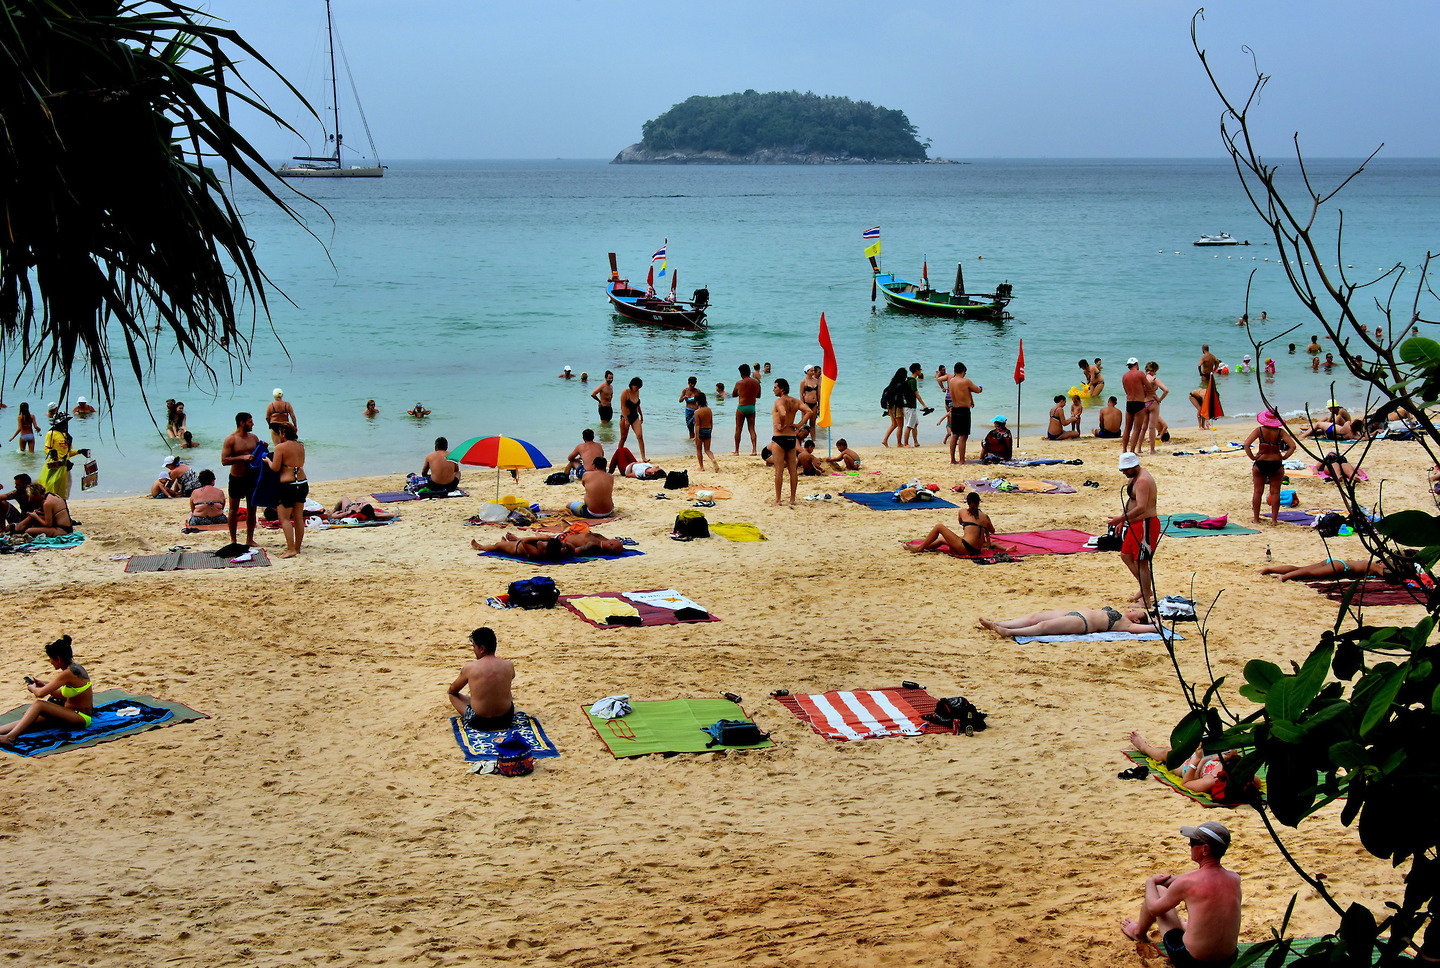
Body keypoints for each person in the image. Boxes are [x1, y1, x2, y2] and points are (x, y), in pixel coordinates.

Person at [1121, 821, 1241, 968]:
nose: (1189, 845)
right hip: (1229, 960)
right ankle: (1187, 926)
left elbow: (1153, 909)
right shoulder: (1235, 878)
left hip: (1192, 962)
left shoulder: (1187, 882)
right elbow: (1207, 877)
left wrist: (1150, 882)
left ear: (1205, 849)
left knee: (1158, 890)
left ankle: (1138, 932)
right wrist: (1176, 879)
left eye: (1193, 842)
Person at [0, 635, 95, 746]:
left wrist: (33, 688)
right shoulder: (74, 668)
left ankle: (10, 738)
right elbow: (63, 695)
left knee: (38, 704)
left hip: (80, 718)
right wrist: (44, 686)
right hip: (69, 713)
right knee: (31, 718)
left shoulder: (68, 673)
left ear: (58, 659)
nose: (50, 661)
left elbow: (39, 694)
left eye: (51, 658)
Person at [1110, 452, 1161, 607]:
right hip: (1135, 524)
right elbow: (1131, 501)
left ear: (1134, 466)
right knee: (1126, 555)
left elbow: (1141, 507)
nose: (1124, 472)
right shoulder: (1134, 477)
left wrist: (1121, 519)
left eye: (1126, 470)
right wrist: (1123, 519)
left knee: (1141, 562)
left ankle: (1146, 600)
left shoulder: (1143, 480)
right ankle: (1145, 589)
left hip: (1146, 524)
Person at [1127, 732, 1243, 796]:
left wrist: (1197, 760)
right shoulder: (1242, 769)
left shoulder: (1211, 780)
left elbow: (1186, 783)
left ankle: (1144, 747)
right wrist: (1231, 754)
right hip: (1209, 756)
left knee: (1168, 753)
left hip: (1191, 767)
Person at [446, 628, 516, 732]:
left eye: (474, 646)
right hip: (506, 719)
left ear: (482, 648)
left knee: (452, 695)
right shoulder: (508, 665)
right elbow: (512, 676)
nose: (473, 650)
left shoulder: (470, 667)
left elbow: (453, 690)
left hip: (479, 721)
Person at [1243, 410, 1295, 524]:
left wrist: (1252, 457)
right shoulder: (1280, 432)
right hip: (1276, 462)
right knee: (1275, 492)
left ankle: (1256, 518)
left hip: (1261, 461)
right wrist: (1284, 456)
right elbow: (1292, 446)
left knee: (1258, 491)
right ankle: (1274, 520)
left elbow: (1246, 444)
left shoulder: (1259, 430)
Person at [264, 423, 307, 558]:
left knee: (284, 518)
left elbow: (275, 468)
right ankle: (297, 548)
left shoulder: (280, 447)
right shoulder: (300, 446)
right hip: (302, 482)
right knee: (298, 517)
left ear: (283, 434)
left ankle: (290, 549)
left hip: (288, 485)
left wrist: (268, 461)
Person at [979, 606, 1157, 637]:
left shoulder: (1127, 624)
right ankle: (1000, 623)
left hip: (1083, 623)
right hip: (1075, 614)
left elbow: (1150, 629)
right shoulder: (1122, 615)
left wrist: (1156, 623)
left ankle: (1009, 632)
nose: (1131, 610)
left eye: (1135, 612)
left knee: (1044, 626)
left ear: (1136, 619)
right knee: (1035, 617)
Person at [221, 412, 261, 549]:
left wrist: (263, 448)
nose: (253, 424)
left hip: (252, 478)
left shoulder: (254, 438)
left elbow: (259, 455)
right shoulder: (231, 439)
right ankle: (233, 540)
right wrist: (242, 458)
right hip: (237, 478)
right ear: (242, 423)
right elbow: (224, 460)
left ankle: (250, 539)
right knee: (233, 510)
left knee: (252, 509)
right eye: (250, 421)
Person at [910, 491, 995, 555]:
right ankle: (922, 547)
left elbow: (961, 522)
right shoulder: (985, 516)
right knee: (942, 539)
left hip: (966, 547)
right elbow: (992, 531)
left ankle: (920, 548)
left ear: (967, 502)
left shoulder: (963, 511)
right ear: (979, 502)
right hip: (977, 550)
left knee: (939, 526)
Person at [770, 378, 811, 506]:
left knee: (779, 470)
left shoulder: (779, 401)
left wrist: (782, 424)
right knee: (792, 470)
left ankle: (778, 500)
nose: (773, 389)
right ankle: (792, 499)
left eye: (775, 387)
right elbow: (809, 411)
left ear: (782, 389)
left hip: (779, 438)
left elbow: (782, 413)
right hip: (791, 438)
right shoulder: (795, 401)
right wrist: (799, 425)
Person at [947, 362, 983, 464]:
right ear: (963, 371)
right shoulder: (965, 381)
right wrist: (981, 388)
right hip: (963, 410)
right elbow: (977, 390)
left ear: (955, 371)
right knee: (963, 436)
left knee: (954, 435)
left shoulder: (951, 381)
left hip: (954, 409)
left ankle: (952, 459)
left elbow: (964, 391)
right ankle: (962, 459)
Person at [38, 416, 81, 499]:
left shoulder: (66, 436)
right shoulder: (51, 433)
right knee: (51, 484)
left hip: (65, 466)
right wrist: (51, 453)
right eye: (64, 422)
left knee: (65, 488)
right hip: (55, 464)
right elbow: (46, 449)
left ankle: (62, 503)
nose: (66, 424)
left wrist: (79, 451)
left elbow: (68, 453)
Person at [8, 482, 74, 536]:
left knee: (29, 530)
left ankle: (17, 529)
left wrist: (35, 516)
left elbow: (48, 524)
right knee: (33, 517)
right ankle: (17, 529)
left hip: (62, 530)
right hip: (67, 527)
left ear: (36, 494)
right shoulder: (53, 495)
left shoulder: (47, 503)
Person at [732, 363, 762, 455]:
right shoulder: (756, 382)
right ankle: (754, 450)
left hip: (742, 407)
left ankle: (737, 451)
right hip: (751, 407)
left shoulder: (739, 383)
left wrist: (741, 393)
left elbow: (734, 394)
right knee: (752, 429)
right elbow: (758, 396)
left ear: (741, 373)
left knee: (738, 429)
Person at [1121, 358, 1147, 452]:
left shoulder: (1125, 376)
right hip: (1139, 402)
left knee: (1127, 428)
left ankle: (1124, 450)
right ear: (1136, 364)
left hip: (1129, 402)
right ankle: (1132, 451)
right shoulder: (1140, 373)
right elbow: (1148, 386)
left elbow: (1126, 391)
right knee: (1137, 429)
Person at [1144, 361, 1170, 454]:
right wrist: (1159, 399)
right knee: (1151, 428)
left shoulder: (1142, 378)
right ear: (1154, 370)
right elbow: (1166, 390)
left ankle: (1138, 448)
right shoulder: (1154, 379)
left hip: (1143, 403)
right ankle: (1152, 450)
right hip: (1152, 402)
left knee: (1143, 428)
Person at [618, 377, 646, 461]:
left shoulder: (637, 392)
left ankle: (643, 457)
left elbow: (638, 405)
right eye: (637, 387)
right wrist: (626, 420)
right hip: (625, 417)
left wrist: (641, 415)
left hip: (635, 416)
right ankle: (618, 456)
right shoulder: (625, 393)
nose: (638, 389)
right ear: (632, 385)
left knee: (640, 436)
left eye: (639, 387)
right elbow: (623, 407)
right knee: (623, 438)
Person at [903, 363, 930, 447]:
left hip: (909, 406)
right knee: (909, 425)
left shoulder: (909, 380)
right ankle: (906, 443)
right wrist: (924, 405)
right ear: (917, 371)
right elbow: (916, 394)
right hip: (910, 406)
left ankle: (915, 442)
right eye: (920, 370)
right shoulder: (913, 381)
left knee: (915, 424)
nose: (921, 371)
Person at [881, 367, 908, 448]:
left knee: (894, 424)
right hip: (897, 407)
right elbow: (900, 397)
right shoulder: (899, 385)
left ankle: (885, 440)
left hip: (891, 407)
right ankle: (899, 443)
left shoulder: (892, 385)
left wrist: (889, 408)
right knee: (900, 426)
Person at [692, 392, 717, 472]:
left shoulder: (697, 412)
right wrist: (710, 431)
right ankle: (713, 459)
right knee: (707, 450)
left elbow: (697, 425)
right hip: (708, 430)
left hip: (701, 431)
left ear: (697, 402)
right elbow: (711, 422)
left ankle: (701, 467)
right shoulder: (709, 410)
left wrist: (696, 436)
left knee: (699, 450)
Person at [798, 365, 821, 437]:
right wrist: (802, 405)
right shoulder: (803, 381)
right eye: (811, 371)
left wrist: (819, 405)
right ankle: (801, 439)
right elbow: (801, 394)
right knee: (804, 423)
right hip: (806, 404)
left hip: (814, 404)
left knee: (813, 423)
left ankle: (814, 440)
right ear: (806, 371)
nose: (813, 372)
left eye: (813, 370)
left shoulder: (816, 381)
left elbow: (818, 394)